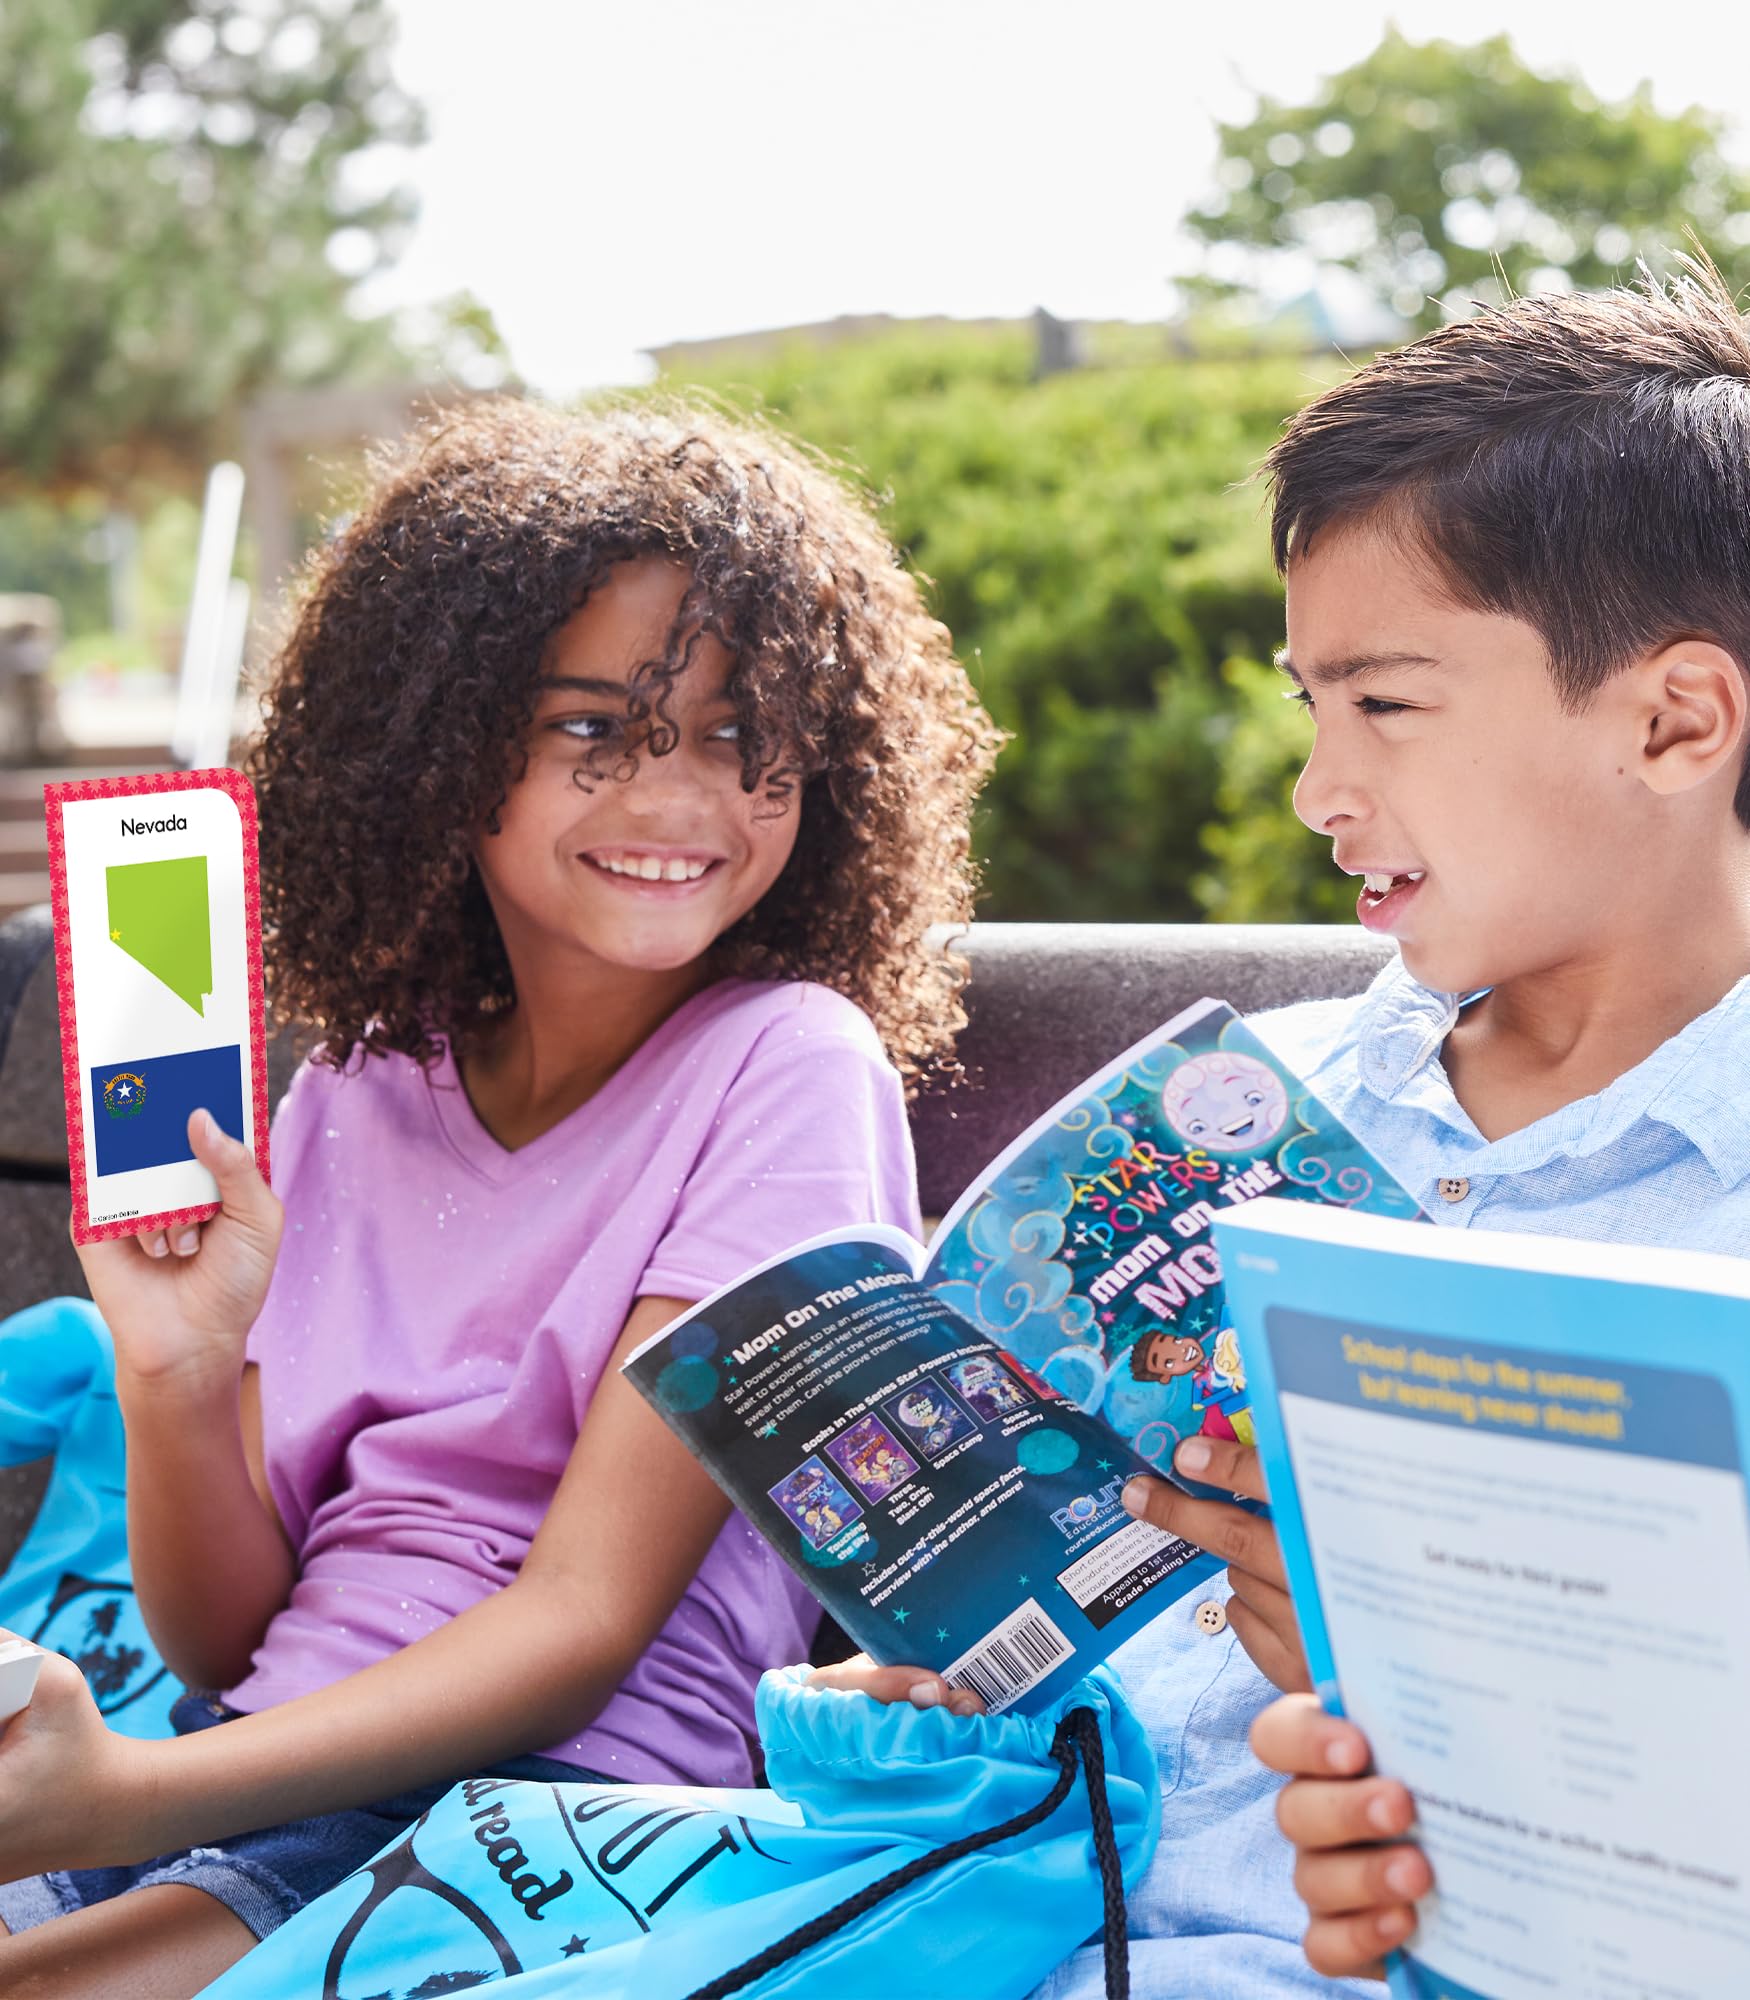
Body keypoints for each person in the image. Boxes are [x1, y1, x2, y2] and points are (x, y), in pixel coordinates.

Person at [828, 262, 1750, 1999]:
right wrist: (940, 1689)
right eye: (1306, 708)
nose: (1321, 791)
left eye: (1382, 704)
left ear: (1672, 720)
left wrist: (1416, 1684)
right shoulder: (1239, 1097)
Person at [0, 397, 1000, 1997]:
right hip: (249, 1763)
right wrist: (175, 1377)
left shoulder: (789, 1067)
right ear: (440, 748)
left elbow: (582, 1627)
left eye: (738, 734)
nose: (677, 799)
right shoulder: (355, 1089)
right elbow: (231, 1640)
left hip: (540, 1820)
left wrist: (127, 1798)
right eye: (594, 728)